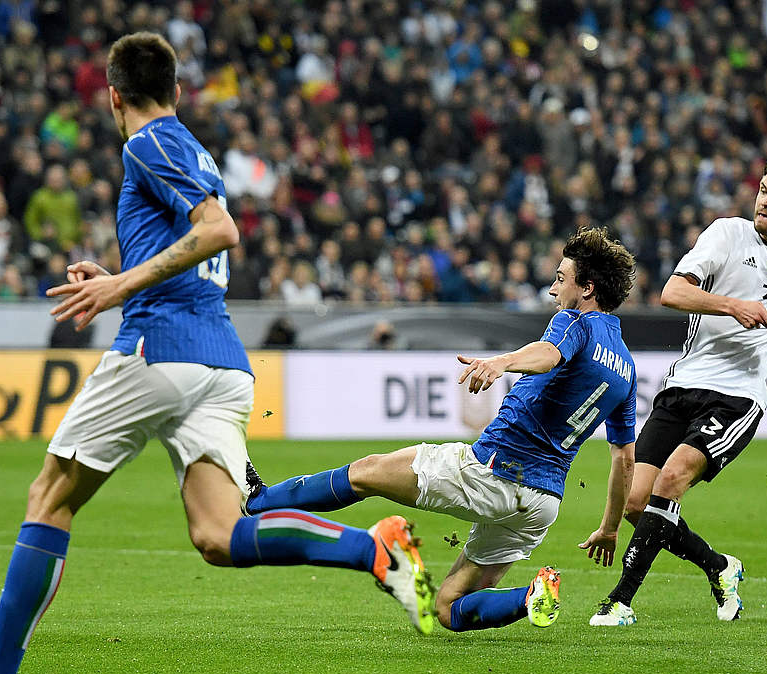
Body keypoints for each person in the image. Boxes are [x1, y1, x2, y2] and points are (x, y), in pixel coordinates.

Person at [0, 32, 432, 674]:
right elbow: (190, 249)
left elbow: (219, 232)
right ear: (180, 90)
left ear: (112, 96)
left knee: (50, 497)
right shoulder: (194, 148)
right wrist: (123, 280)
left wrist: (121, 287)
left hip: (160, 350)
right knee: (218, 536)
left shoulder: (148, 141)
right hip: (221, 360)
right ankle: (370, 551)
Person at [246, 228, 639, 634]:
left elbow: (547, 354)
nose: (553, 288)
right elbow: (625, 459)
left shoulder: (575, 323)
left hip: (493, 472)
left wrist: (503, 362)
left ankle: (259, 502)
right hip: (542, 505)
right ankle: (531, 595)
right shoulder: (626, 367)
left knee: (365, 472)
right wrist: (609, 528)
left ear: (587, 288)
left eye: (561, 278)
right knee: (448, 609)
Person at [589, 154, 767, 627]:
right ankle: (720, 567)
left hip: (738, 396)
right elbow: (672, 292)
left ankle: (620, 600)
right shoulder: (727, 234)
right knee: (638, 502)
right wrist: (730, 306)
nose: (765, 200)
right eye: (763, 189)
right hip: (683, 386)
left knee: (670, 482)